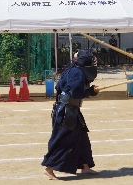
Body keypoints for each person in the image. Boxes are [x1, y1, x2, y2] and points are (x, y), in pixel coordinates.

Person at [41, 50, 99, 180]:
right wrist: (90, 91)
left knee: (81, 136)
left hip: (69, 109)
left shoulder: (72, 70)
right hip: (67, 111)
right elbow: (76, 94)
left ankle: (85, 166)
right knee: (64, 139)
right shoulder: (77, 73)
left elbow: (59, 87)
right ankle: (49, 168)